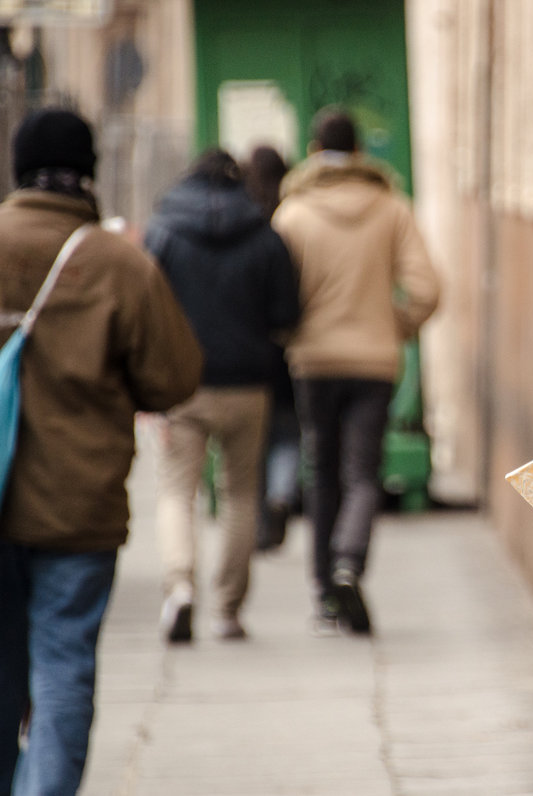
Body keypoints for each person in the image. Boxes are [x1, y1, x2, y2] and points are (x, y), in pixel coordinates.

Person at [0, 108, 203, 795]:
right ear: (87, 173)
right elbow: (173, 378)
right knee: (62, 669)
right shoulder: (118, 263)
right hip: (75, 509)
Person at [272, 107, 440, 635]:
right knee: (362, 473)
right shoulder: (392, 208)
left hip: (312, 362)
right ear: (361, 153)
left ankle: (324, 594)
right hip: (373, 361)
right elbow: (427, 289)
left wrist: (294, 332)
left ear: (313, 151)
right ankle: (349, 562)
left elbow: (275, 295)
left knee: (320, 473)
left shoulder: (292, 214)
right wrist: (394, 324)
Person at [144, 148, 300, 642]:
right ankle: (228, 609)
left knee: (176, 491)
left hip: (181, 386)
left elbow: (141, 312)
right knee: (240, 495)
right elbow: (285, 314)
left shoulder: (164, 231)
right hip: (248, 385)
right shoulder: (263, 235)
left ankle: (180, 587)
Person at [242, 145, 302, 552]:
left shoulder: (243, 223)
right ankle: (282, 496)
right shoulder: (291, 219)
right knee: (287, 432)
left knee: (257, 442)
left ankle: (263, 517)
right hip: (287, 349)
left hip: (248, 349)